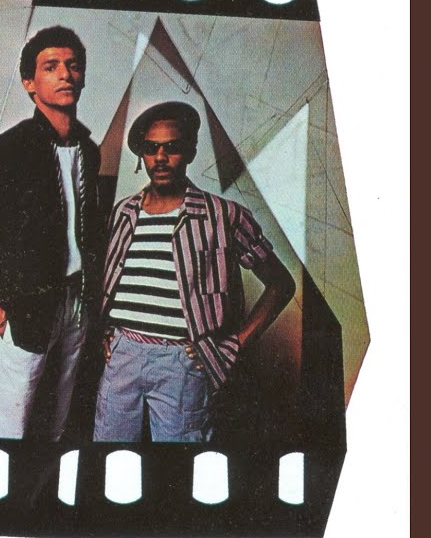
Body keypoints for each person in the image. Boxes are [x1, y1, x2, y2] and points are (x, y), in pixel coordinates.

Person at [93, 102, 296, 442]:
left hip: (182, 363)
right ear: (142, 155)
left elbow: (281, 284)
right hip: (122, 356)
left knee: (179, 464)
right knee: (111, 458)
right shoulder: (123, 212)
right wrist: (106, 331)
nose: (160, 157)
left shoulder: (224, 215)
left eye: (172, 147)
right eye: (151, 148)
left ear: (190, 151)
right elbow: (112, 281)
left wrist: (234, 345)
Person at [0, 26, 107, 441]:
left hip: (76, 302)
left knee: (58, 418)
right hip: (24, 310)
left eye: (73, 66)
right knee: (9, 425)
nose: (66, 75)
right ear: (29, 83)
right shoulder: (14, 147)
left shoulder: (89, 150)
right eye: (51, 66)